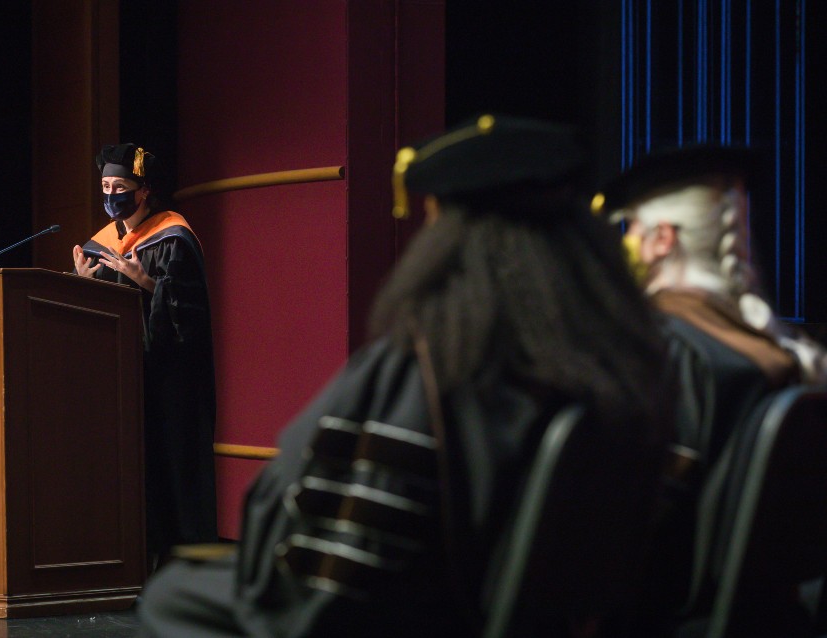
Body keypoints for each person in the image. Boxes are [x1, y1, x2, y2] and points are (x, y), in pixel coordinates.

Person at [137, 115, 670, 636]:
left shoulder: (428, 372)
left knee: (175, 594)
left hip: (422, 613)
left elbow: (314, 559)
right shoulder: (628, 359)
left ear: (449, 241)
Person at [602, 144, 827, 634]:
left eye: (633, 230)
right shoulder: (786, 353)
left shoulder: (669, 350)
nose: (629, 243)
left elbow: (637, 533)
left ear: (662, 240)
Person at [73, 143, 218, 563]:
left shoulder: (173, 237)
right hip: (118, 382)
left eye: (120, 186)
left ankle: (180, 567)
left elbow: (190, 320)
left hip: (168, 385)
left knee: (169, 470)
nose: (111, 193)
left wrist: (148, 284)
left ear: (143, 191)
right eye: (105, 185)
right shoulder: (101, 244)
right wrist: (80, 283)